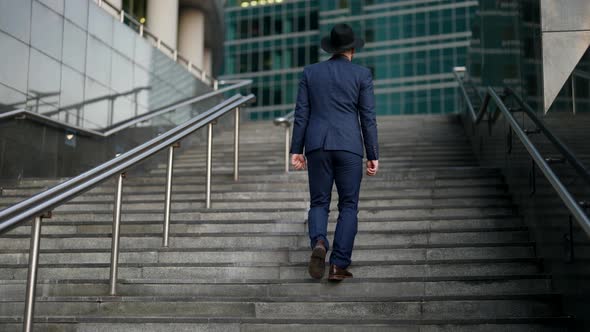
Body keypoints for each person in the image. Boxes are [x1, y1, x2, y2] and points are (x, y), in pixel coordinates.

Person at [290, 23, 379, 281]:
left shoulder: (311, 73)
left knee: (319, 202)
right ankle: (339, 265)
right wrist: (372, 153)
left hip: (317, 145)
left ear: (331, 48)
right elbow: (368, 117)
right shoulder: (362, 75)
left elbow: (301, 114)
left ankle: (319, 242)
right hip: (349, 146)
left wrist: (297, 150)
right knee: (348, 205)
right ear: (352, 49)